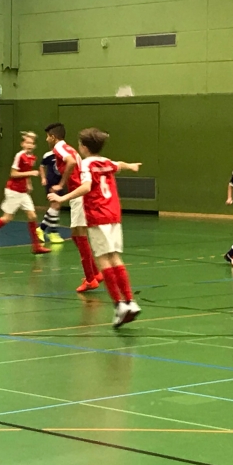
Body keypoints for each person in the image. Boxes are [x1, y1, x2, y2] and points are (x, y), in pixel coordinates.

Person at [50, 127, 142, 328]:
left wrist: (62, 198)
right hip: (114, 214)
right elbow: (119, 164)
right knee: (115, 257)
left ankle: (119, 305)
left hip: (98, 215)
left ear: (83, 147)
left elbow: (86, 187)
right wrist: (131, 166)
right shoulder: (105, 162)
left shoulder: (86, 165)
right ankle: (130, 301)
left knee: (103, 261)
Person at [45, 122, 102, 293]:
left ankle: (90, 279)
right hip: (78, 194)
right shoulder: (69, 148)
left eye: (47, 136)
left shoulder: (58, 148)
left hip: (79, 195)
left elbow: (70, 163)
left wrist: (61, 184)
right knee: (76, 236)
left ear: (53, 137)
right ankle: (96, 273)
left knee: (80, 235)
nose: (46, 140)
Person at [0, 131, 51, 254]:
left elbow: (25, 172)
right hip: (13, 191)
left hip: (23, 192)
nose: (29, 145)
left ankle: (36, 246)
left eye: (31, 143)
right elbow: (13, 174)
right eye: (27, 142)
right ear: (22, 144)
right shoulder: (19, 156)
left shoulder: (32, 158)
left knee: (32, 216)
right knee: (7, 218)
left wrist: (28, 183)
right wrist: (30, 173)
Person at [38, 150, 64, 244]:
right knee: (55, 205)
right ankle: (52, 232)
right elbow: (41, 166)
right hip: (51, 183)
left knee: (56, 207)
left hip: (60, 182)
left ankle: (43, 229)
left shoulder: (64, 154)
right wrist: (43, 178)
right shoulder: (48, 155)